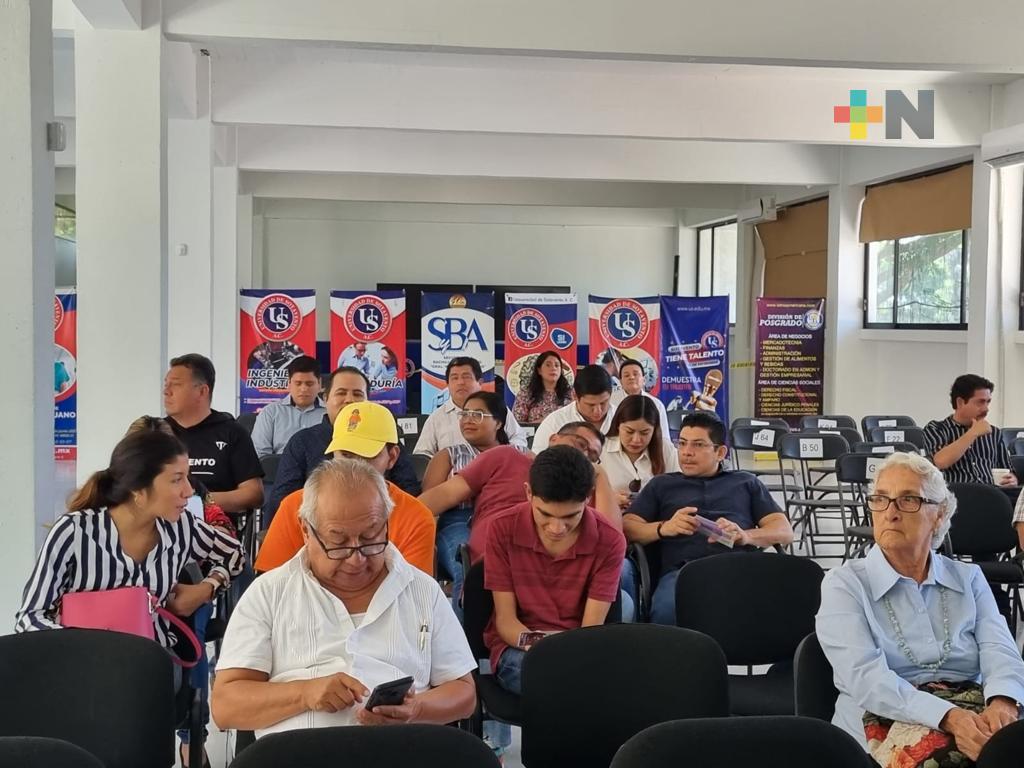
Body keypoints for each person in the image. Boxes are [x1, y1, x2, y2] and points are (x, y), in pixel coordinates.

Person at [15, 431, 245, 759]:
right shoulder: (75, 532)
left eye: (188, 478)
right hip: (80, 667)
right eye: (176, 479)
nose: (189, 490)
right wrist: (87, 651)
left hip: (151, 663)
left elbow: (234, 555)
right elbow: (29, 617)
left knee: (135, 702)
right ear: (139, 489)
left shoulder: (181, 528)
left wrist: (205, 589)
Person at [211, 459, 476, 738]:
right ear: (305, 530)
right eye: (337, 543)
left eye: (370, 538)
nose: (355, 559)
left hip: (400, 751)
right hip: (298, 755)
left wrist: (417, 709)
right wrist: (305, 693)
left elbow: (464, 692)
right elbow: (226, 706)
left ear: (386, 525)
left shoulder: (423, 591)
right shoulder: (269, 593)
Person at [817, 451, 1024, 765]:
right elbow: (867, 680)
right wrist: (949, 717)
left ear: (939, 514)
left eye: (908, 500)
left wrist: (1003, 702)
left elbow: (999, 648)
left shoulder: (968, 578)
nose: (890, 512)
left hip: (974, 709)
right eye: (880, 499)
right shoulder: (844, 585)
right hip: (880, 719)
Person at [125, 415, 237, 764]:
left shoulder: (192, 502)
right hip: (110, 645)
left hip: (182, 597)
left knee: (190, 633)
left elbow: (228, 541)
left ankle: (191, 735)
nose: (185, 488)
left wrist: (205, 588)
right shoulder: (86, 526)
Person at [623, 411, 794, 625]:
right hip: (683, 573)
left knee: (779, 611)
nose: (686, 452)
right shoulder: (662, 485)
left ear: (720, 452)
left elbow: (784, 531)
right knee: (666, 613)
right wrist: (663, 527)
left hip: (739, 570)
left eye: (698, 445)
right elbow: (628, 526)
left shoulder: (745, 482)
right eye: (682, 443)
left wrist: (746, 536)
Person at [485, 445, 626, 696]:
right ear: (528, 493)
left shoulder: (609, 540)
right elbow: (505, 621)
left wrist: (566, 650)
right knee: (556, 678)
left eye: (570, 516)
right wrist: (541, 644)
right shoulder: (502, 528)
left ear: (588, 498)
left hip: (579, 648)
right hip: (519, 646)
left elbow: (590, 630)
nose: (556, 528)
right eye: (545, 514)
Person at [255, 402, 436, 576]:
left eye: (366, 456)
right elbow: (271, 586)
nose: (354, 467)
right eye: (346, 455)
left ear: (392, 457)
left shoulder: (416, 518)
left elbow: (412, 592)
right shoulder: (294, 506)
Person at [419, 421, 620, 565]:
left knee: (623, 585)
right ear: (554, 439)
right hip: (492, 558)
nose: (583, 454)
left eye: (592, 455)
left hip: (563, 571)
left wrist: (600, 476)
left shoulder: (585, 487)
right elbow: (445, 495)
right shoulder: (506, 457)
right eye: (580, 444)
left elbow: (612, 543)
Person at [264, 366, 420, 521]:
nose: (349, 400)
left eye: (357, 394)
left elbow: (409, 494)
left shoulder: (385, 442)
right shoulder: (302, 441)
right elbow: (282, 500)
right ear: (325, 399)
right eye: (341, 393)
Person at [421, 391, 512, 588]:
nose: (468, 420)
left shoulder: (519, 454)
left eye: (477, 414)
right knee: (469, 565)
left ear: (498, 423)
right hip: (459, 522)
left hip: (509, 521)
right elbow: (426, 507)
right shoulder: (449, 455)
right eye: (464, 414)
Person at [163, 353, 264, 513]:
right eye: (166, 384)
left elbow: (253, 494)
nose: (166, 391)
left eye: (175, 384)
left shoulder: (232, 432)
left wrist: (197, 502)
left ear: (202, 391)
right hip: (161, 521)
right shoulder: (155, 433)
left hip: (214, 521)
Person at [413, 356, 529, 456]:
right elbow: (422, 454)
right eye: (454, 378)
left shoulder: (497, 408)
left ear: (480, 382)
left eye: (466, 377)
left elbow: (518, 439)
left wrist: (503, 457)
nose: (460, 382)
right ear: (447, 384)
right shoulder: (436, 418)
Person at [923, 374, 1017, 487]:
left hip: (991, 493)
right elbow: (940, 462)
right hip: (955, 494)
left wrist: (1012, 479)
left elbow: (1007, 470)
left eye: (988, 402)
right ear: (960, 402)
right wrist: (973, 433)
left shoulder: (994, 432)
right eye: (980, 402)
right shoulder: (936, 429)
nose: (986, 408)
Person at [601, 394, 680, 510]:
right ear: (618, 425)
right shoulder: (601, 449)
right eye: (629, 431)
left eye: (645, 433)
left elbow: (678, 490)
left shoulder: (665, 449)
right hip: (612, 516)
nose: (636, 440)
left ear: (654, 430)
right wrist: (608, 500)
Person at [251, 355, 326, 458]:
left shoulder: (330, 413)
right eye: (298, 383)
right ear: (289, 383)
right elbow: (260, 455)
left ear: (319, 384)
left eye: (309, 384)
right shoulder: (270, 413)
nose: (303, 389)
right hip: (278, 467)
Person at [531, 364, 616, 453]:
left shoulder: (621, 419)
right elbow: (538, 459)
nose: (598, 411)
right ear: (574, 395)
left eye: (603, 403)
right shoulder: (555, 423)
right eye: (591, 405)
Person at [609, 358, 671, 442]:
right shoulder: (610, 401)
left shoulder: (656, 404)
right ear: (620, 382)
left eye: (635, 374)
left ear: (644, 380)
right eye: (626, 375)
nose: (631, 377)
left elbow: (664, 438)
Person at [511, 350, 573, 425]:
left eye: (557, 365)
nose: (553, 368)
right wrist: (545, 422)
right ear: (539, 370)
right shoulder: (526, 393)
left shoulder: (571, 394)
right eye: (548, 365)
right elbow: (517, 424)